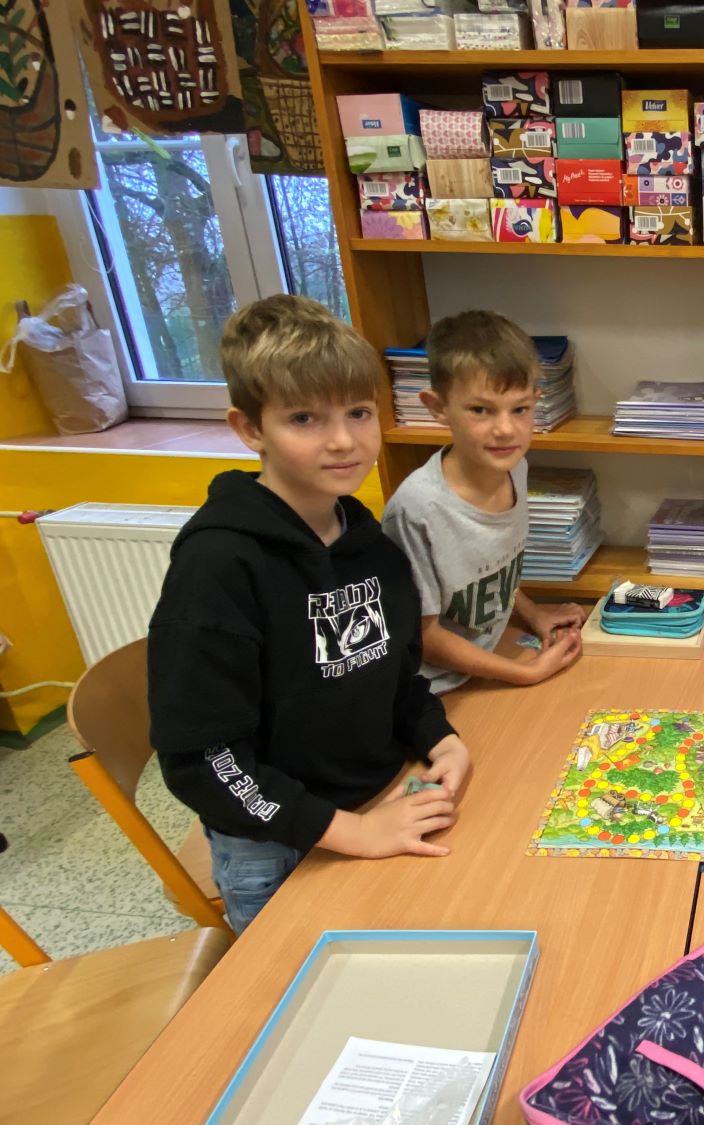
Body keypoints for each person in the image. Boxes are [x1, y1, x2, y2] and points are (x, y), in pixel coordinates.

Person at [148, 296, 469, 933]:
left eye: (358, 412)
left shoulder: (371, 546)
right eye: (304, 418)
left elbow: (395, 678)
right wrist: (353, 831)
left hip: (381, 800)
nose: (343, 439)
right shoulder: (218, 566)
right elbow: (203, 758)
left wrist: (441, 738)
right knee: (291, 983)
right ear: (250, 429)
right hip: (278, 844)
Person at [381, 310, 583, 694]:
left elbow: (490, 570)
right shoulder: (416, 510)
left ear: (536, 401)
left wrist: (533, 613)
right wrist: (525, 672)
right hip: (433, 689)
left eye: (519, 409)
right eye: (480, 410)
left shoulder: (514, 467)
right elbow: (424, 636)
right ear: (437, 407)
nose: (505, 429)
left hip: (488, 661)